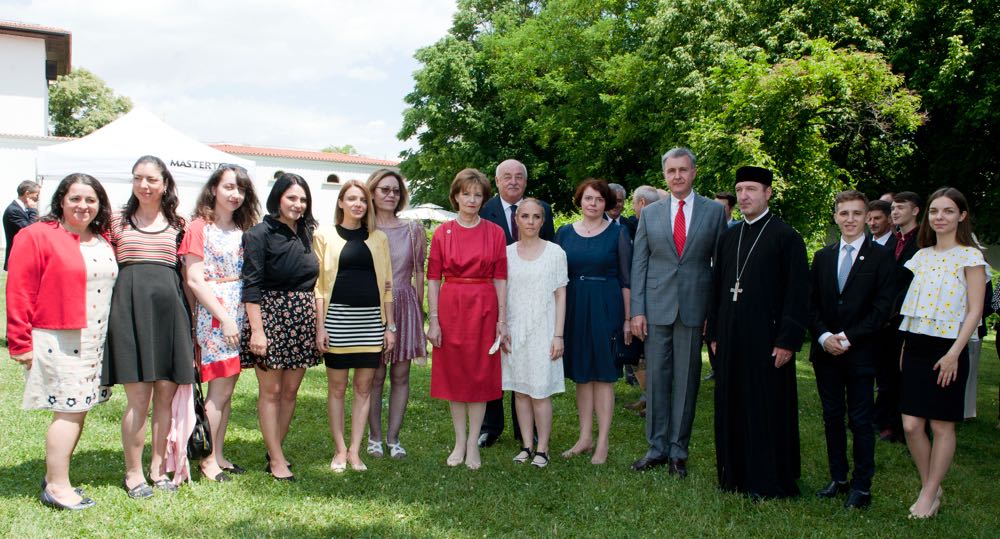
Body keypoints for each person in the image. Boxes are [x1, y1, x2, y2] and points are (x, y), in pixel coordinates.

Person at [6, 174, 115, 510]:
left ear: (99, 205)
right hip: (58, 336)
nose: (83, 206)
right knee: (69, 411)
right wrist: (20, 342)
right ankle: (56, 486)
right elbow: (19, 290)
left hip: (93, 337)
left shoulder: (101, 238)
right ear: (61, 200)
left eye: (90, 200)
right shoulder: (37, 235)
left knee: (78, 409)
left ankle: (57, 473)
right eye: (75, 198)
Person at [706, 165, 809, 499]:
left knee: (765, 407)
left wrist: (788, 341)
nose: (744, 196)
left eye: (751, 189)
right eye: (739, 190)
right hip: (731, 338)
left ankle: (768, 480)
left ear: (768, 193)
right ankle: (733, 474)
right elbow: (717, 287)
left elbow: (797, 294)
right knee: (732, 404)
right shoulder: (729, 236)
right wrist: (715, 335)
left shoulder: (786, 237)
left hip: (769, 340)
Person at [630, 147, 726, 477]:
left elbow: (721, 267)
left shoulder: (714, 212)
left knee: (687, 381)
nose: (677, 176)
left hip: (694, 308)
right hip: (655, 308)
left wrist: (713, 314)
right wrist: (636, 311)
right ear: (665, 175)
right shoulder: (652, 213)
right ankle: (656, 447)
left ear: (694, 172)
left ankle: (677, 451)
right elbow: (639, 263)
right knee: (656, 379)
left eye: (683, 170)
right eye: (671, 171)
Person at [102, 156, 195, 498]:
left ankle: (158, 468)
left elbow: (188, 276)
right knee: (138, 399)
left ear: (165, 184)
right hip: (129, 314)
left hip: (171, 313)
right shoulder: (115, 221)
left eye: (152, 179)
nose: (144, 185)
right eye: (138, 178)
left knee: (166, 398)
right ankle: (133, 473)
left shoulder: (179, 224)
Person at [897, 187, 987, 518]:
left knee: (941, 425)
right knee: (910, 425)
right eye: (935, 211)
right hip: (917, 345)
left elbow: (975, 311)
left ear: (961, 216)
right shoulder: (921, 257)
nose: (940, 217)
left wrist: (953, 354)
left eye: (948, 211)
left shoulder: (971, 257)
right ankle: (930, 486)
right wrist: (905, 347)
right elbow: (915, 310)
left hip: (950, 347)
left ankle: (929, 494)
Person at [808, 190, 896, 509]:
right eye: (844, 213)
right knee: (832, 416)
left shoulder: (882, 257)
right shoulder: (823, 256)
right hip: (825, 353)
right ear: (835, 217)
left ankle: (862, 485)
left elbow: (883, 308)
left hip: (861, 353)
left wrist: (846, 336)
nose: (850, 219)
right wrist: (822, 337)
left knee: (860, 419)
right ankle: (838, 477)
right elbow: (811, 303)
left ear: (866, 217)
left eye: (857, 213)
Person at [178, 165, 260, 482]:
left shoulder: (243, 229)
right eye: (228, 187)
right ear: (214, 189)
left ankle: (219, 453)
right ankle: (206, 460)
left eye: (240, 189)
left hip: (238, 313)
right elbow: (195, 279)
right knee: (219, 391)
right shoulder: (199, 228)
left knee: (227, 390)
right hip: (217, 315)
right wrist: (224, 318)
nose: (234, 194)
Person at [241, 173, 322, 482]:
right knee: (271, 392)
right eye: (291, 197)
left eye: (302, 199)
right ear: (278, 198)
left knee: (290, 392)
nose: (297, 204)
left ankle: (274, 450)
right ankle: (276, 458)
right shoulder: (258, 234)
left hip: (301, 319)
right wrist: (258, 331)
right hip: (271, 317)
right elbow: (251, 286)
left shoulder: (307, 233)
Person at [427, 168, 508, 469]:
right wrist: (433, 319)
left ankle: (474, 442)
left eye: (477, 195)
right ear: (456, 196)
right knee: (455, 375)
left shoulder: (495, 232)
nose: (472, 199)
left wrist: (502, 319)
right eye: (466, 194)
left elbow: (501, 278)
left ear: (483, 198)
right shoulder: (441, 233)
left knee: (480, 375)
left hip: (485, 309)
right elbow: (433, 278)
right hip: (451, 308)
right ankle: (459, 441)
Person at [314, 180, 395, 473]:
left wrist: (390, 326)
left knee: (364, 388)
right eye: (351, 198)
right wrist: (320, 327)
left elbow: (388, 286)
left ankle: (355, 451)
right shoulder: (323, 235)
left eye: (362, 199)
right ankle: (338, 450)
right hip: (337, 320)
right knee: (337, 389)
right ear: (341, 202)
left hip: (371, 322)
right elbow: (319, 288)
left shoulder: (379, 239)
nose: (358, 204)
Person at [478, 159, 554, 447]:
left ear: (525, 181)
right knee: (495, 363)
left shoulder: (541, 210)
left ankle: (527, 430)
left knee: (525, 361)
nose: (513, 181)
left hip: (531, 302)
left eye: (519, 177)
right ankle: (490, 426)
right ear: (496, 181)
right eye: (507, 177)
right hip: (493, 299)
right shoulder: (484, 211)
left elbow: (550, 254)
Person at [555, 178, 632, 465]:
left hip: (606, 306)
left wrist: (627, 318)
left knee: (604, 376)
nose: (593, 204)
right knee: (582, 375)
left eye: (599, 200)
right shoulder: (564, 234)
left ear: (606, 204)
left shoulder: (618, 234)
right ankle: (585, 437)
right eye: (588, 198)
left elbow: (626, 280)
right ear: (580, 200)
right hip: (574, 307)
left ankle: (603, 442)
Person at [364, 169, 427, 460]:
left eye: (396, 190)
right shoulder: (363, 229)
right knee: (374, 376)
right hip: (370, 306)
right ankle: (374, 437)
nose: (391, 195)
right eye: (385, 189)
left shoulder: (413, 230)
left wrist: (420, 309)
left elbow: (418, 271)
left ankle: (394, 438)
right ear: (373, 192)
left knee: (401, 375)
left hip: (405, 304)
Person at [503, 198, 568, 468]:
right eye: (525, 216)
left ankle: (543, 448)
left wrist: (558, 334)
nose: (530, 222)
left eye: (536, 217)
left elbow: (561, 295)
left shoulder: (555, 253)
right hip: (515, 330)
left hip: (544, 330)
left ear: (543, 220)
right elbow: (502, 294)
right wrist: (503, 327)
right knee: (520, 390)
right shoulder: (505, 253)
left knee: (540, 392)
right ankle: (527, 445)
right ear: (516, 219)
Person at [874, 191, 922, 443]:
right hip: (887, 317)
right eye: (893, 208)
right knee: (886, 372)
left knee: (904, 373)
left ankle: (903, 427)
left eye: (900, 207)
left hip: (909, 316)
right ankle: (885, 420)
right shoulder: (893, 240)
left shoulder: (923, 242)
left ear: (915, 210)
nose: (894, 212)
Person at [3, 180, 40, 270]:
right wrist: (33, 210)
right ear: (27, 193)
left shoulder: (21, 209)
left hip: (23, 259)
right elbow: (31, 230)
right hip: (18, 259)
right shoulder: (14, 210)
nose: (38, 198)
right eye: (36, 194)